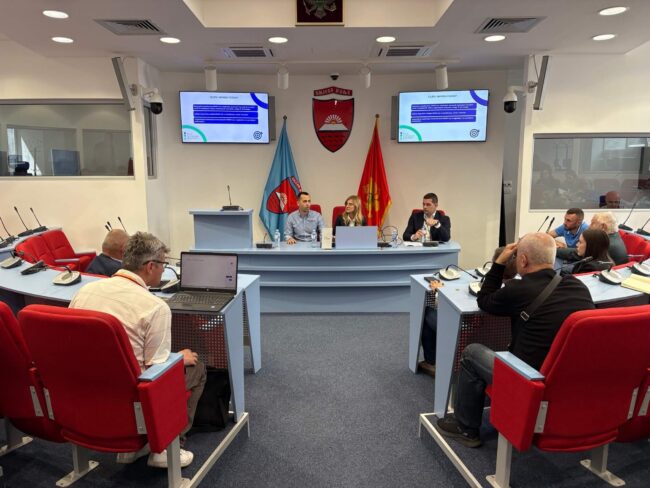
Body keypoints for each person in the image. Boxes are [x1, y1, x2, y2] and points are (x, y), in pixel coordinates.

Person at [435, 233, 594, 447]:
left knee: (472, 353)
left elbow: (484, 300)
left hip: (530, 379)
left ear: (523, 260)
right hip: (571, 377)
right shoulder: (577, 286)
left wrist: (498, 264)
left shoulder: (517, 290)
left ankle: (466, 428)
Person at [69, 232, 206, 468]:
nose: (164, 270)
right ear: (151, 266)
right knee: (197, 367)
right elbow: (156, 369)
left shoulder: (85, 291)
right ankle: (163, 447)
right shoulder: (155, 307)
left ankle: (133, 447)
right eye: (163, 265)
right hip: (132, 400)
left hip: (84, 392)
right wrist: (178, 358)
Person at [418, 247, 517, 379]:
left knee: (428, 313)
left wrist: (439, 292)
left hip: (468, 333)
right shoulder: (521, 289)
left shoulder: (490, 296)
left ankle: (431, 362)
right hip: (502, 346)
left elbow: (450, 309)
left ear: (495, 263)